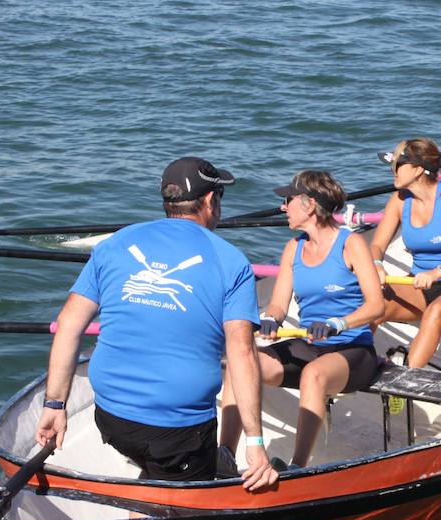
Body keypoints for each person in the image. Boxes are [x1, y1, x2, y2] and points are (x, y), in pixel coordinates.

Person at [35, 157, 278, 492]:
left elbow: (68, 325)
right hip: (180, 434)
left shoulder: (116, 243)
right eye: (220, 197)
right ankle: (161, 500)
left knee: (153, 453)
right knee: (181, 486)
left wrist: (55, 405)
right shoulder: (232, 262)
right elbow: (242, 353)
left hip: (110, 420)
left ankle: (155, 477)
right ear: (210, 202)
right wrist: (256, 444)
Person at [220, 171, 386, 468]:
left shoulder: (351, 244)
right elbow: (278, 303)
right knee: (238, 364)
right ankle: (225, 457)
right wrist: (270, 319)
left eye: (287, 200)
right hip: (310, 346)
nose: (283, 207)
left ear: (309, 205)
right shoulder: (294, 248)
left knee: (314, 375)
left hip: (353, 350)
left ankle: (298, 467)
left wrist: (339, 324)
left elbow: (376, 306)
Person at [370, 137, 441, 369]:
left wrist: (437, 272)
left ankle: (405, 379)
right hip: (420, 286)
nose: (392, 171)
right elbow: (377, 246)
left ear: (418, 169)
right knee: (374, 305)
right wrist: (376, 263)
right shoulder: (399, 200)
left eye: (397, 165)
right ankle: (352, 365)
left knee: (436, 311)